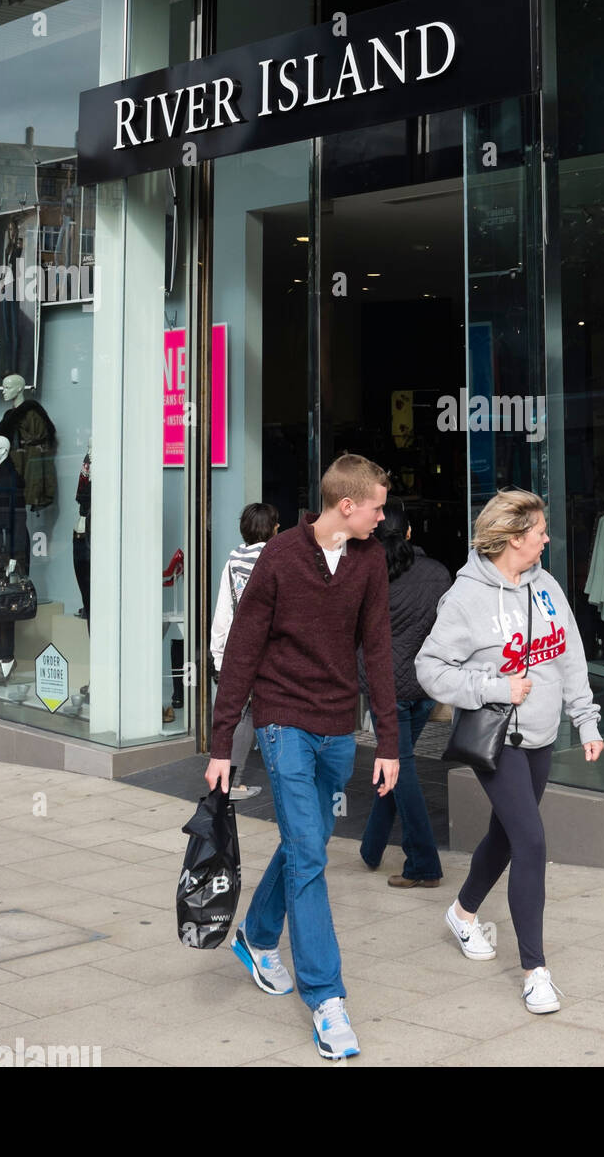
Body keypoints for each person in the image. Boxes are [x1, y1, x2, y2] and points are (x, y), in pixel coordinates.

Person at [207, 454, 400, 1061]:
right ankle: (327, 999)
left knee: (304, 844)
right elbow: (242, 649)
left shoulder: (369, 559)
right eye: (377, 507)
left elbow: (378, 648)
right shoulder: (281, 557)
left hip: (337, 725)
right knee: (312, 859)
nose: (383, 517)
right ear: (347, 506)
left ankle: (258, 936)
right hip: (282, 718)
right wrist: (221, 746)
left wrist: (390, 741)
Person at [416, 489, 603, 1017]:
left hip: (542, 736)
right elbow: (429, 668)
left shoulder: (546, 587)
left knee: (504, 835)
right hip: (499, 741)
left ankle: (462, 912)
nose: (547, 538)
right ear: (514, 537)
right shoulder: (466, 597)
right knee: (531, 841)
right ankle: (535, 972)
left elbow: (569, 658)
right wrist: (493, 687)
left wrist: (585, 720)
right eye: (540, 530)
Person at [358, 499, 452, 886]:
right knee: (397, 764)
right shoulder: (439, 573)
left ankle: (423, 865)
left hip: (386, 689)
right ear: (411, 532)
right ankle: (371, 847)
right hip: (424, 685)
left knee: (401, 767)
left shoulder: (366, 572)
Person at [209, 501, 280, 801]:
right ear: (272, 528)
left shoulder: (232, 563)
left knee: (243, 714)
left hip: (239, 651)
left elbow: (224, 612)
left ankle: (229, 781)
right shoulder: (278, 561)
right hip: (271, 652)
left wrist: (218, 655)